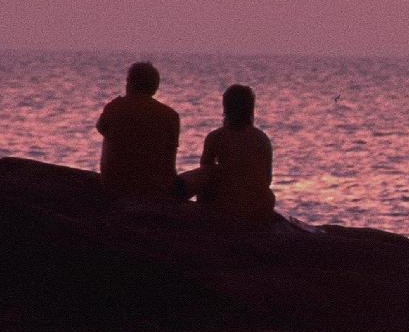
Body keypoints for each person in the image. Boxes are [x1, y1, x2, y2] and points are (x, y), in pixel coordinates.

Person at [189, 83, 277, 226]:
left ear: (226, 108)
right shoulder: (262, 138)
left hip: (226, 206)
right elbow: (267, 179)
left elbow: (205, 174)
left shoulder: (216, 137)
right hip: (259, 207)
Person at [96, 61, 180, 200]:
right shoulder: (170, 116)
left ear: (130, 83)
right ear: (155, 87)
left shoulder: (114, 107)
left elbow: (101, 128)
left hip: (113, 185)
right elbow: (170, 161)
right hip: (153, 189)